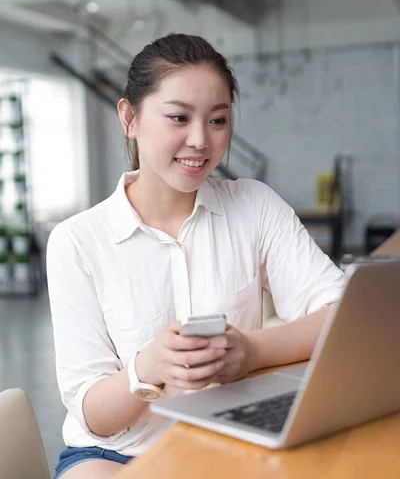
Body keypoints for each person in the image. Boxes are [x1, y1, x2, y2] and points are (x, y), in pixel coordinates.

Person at [47, 33, 345, 479]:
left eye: (218, 120)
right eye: (178, 117)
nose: (200, 141)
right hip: (118, 456)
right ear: (129, 118)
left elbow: (342, 315)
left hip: (231, 442)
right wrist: (147, 369)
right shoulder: (77, 241)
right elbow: (93, 414)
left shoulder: (254, 205)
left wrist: (250, 351)